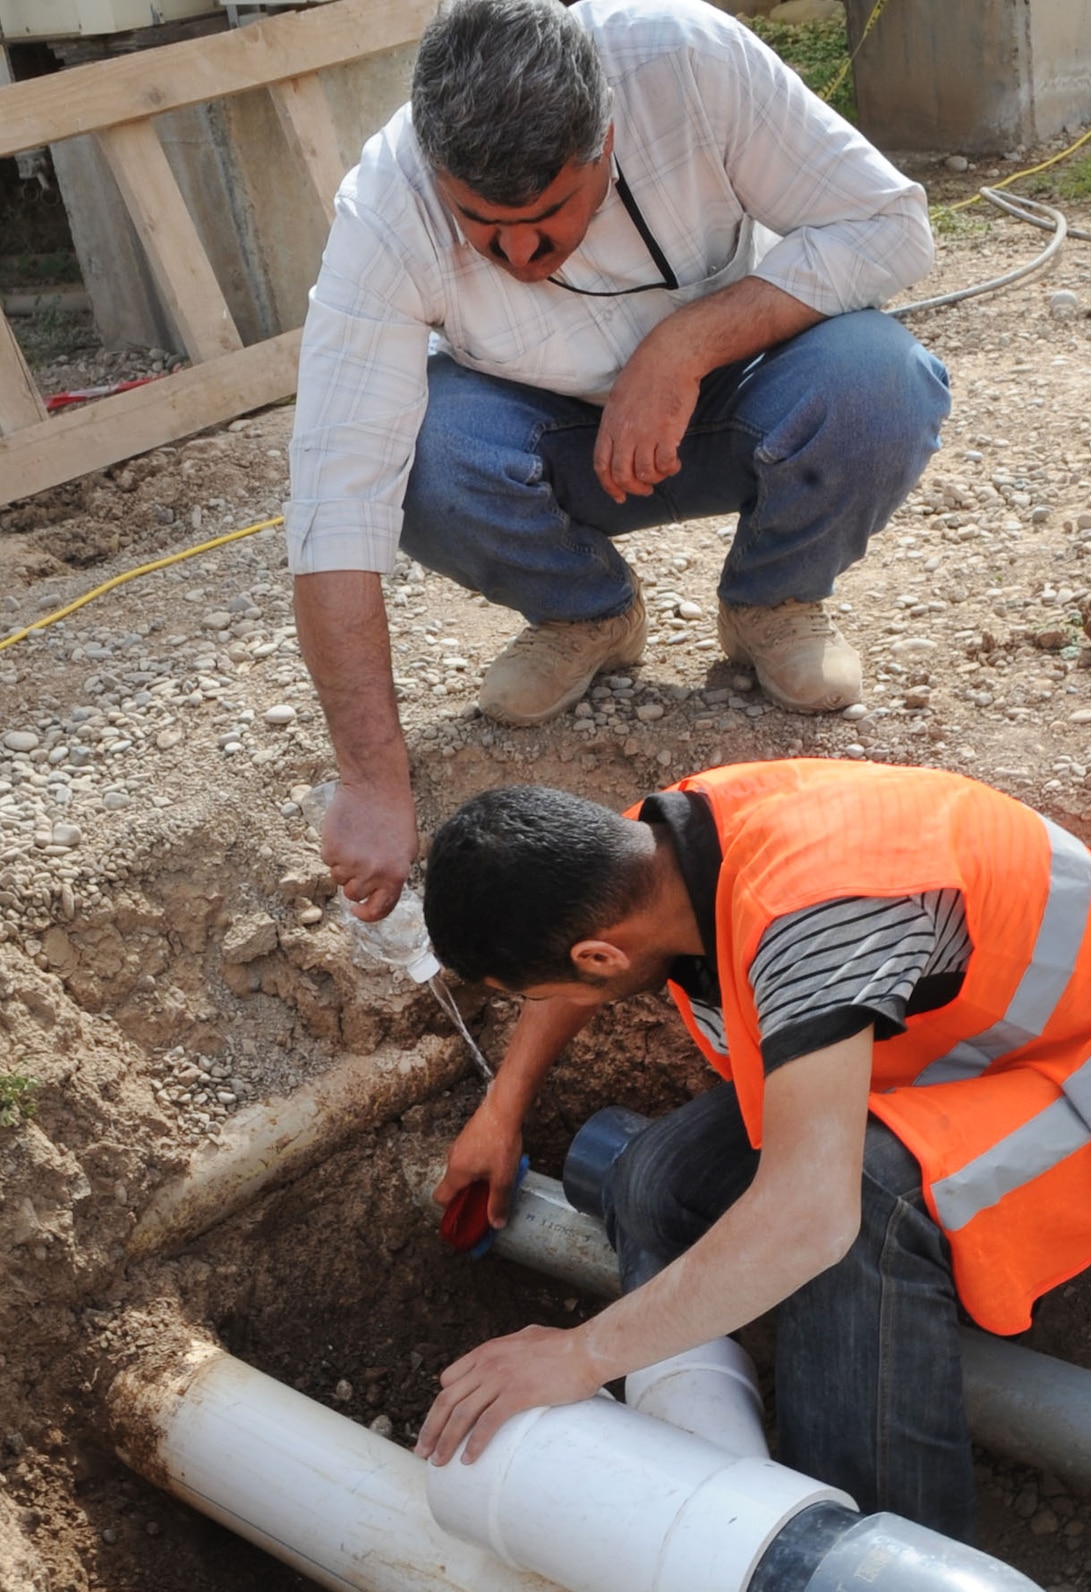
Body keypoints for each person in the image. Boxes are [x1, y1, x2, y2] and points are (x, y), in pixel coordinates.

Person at [414, 759, 1091, 1543]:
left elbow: (808, 1218)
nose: (544, 1004)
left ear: (599, 956)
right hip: (955, 1056)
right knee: (655, 1178)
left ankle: (884, 1571)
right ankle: (731, 1476)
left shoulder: (813, 921)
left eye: (538, 990)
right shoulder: (645, 853)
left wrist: (580, 1357)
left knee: (859, 1215)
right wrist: (503, 1106)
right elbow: (575, 966)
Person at [288, 0, 950, 924]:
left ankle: (774, 601)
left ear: (605, 138)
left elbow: (888, 225)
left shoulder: (686, 61)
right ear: (437, 170)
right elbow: (335, 495)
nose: (518, 253)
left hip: (736, 394)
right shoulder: (385, 207)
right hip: (542, 438)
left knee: (882, 379)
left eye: (550, 215)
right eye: (482, 225)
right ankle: (586, 615)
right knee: (422, 453)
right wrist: (368, 778)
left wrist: (684, 347)